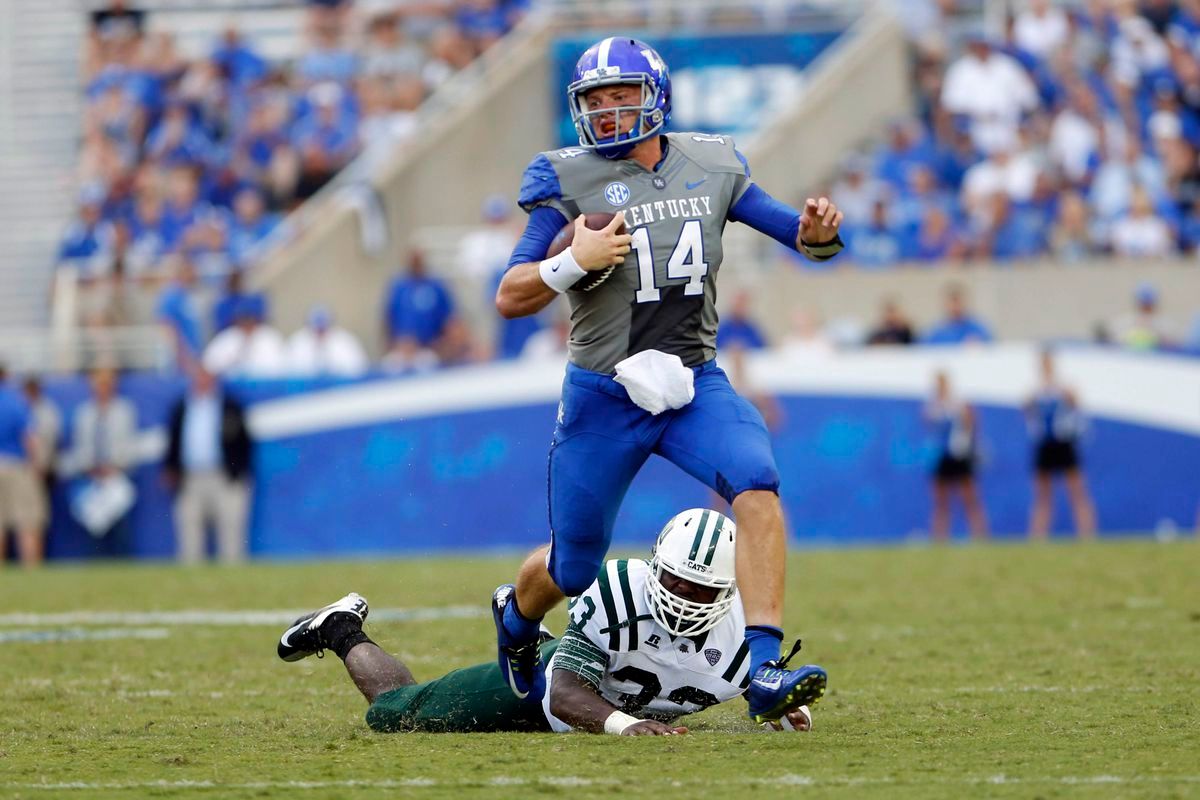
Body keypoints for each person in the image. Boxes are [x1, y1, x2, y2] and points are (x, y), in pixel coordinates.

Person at [489, 37, 843, 724]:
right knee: (574, 569)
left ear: (656, 97)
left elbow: (808, 243)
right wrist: (573, 260)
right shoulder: (565, 177)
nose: (608, 110)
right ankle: (514, 615)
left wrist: (818, 230)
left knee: (757, 481)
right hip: (603, 395)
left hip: (692, 381)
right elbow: (509, 294)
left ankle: (764, 667)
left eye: (621, 94)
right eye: (594, 99)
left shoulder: (712, 161)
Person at [277, 509, 826, 734]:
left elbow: (762, 684)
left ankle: (523, 622)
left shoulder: (742, 638)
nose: (684, 596)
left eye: (700, 588)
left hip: (596, 677)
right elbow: (563, 693)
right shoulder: (617, 590)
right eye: (676, 580)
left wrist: (780, 708)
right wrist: (625, 726)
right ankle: (340, 627)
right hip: (539, 688)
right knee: (398, 716)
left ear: (728, 591)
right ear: (654, 566)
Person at [164, 369, 253, 563]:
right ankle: (188, 586)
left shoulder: (230, 406)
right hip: (190, 478)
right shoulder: (182, 407)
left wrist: (238, 472)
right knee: (190, 534)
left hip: (224, 476)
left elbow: (245, 443)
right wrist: (171, 469)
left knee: (230, 533)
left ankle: (235, 584)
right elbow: (173, 441)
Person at [1025, 350, 1097, 540]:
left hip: (1064, 442)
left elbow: (1076, 405)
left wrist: (1063, 391)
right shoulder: (1035, 390)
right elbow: (1027, 411)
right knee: (1043, 495)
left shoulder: (1063, 387)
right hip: (1045, 444)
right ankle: (1037, 537)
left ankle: (1087, 535)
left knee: (1077, 490)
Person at [925, 371, 987, 542]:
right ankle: (939, 538)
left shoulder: (958, 403)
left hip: (959, 454)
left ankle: (980, 536)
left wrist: (970, 445)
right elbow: (928, 422)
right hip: (943, 456)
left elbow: (971, 423)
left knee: (969, 498)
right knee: (941, 501)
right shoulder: (935, 405)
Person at [0, 366, 44, 566]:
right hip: (16, 466)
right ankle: (31, 570)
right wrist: (36, 466)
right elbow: (30, 437)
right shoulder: (15, 400)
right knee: (27, 524)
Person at [286, 305, 369, 377]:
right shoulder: (297, 343)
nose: (320, 334)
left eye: (323, 330)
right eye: (317, 330)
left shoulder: (346, 343)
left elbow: (359, 370)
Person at [924, 284, 993, 345]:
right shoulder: (936, 333)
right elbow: (923, 352)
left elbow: (992, 348)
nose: (955, 307)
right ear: (945, 305)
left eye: (958, 303)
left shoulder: (977, 329)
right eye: (952, 303)